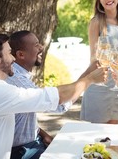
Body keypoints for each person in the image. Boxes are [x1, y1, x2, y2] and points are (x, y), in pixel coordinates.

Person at [0, 33, 106, 159]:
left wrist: (40, 133)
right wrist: (90, 79)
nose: (13, 58)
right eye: (9, 53)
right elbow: (54, 99)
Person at [5, 30, 72, 159]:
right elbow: (59, 105)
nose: (41, 47)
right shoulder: (18, 81)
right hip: (21, 151)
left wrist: (41, 133)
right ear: (20, 54)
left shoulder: (20, 77)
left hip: (32, 143)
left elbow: (20, 118)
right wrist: (88, 79)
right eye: (36, 45)